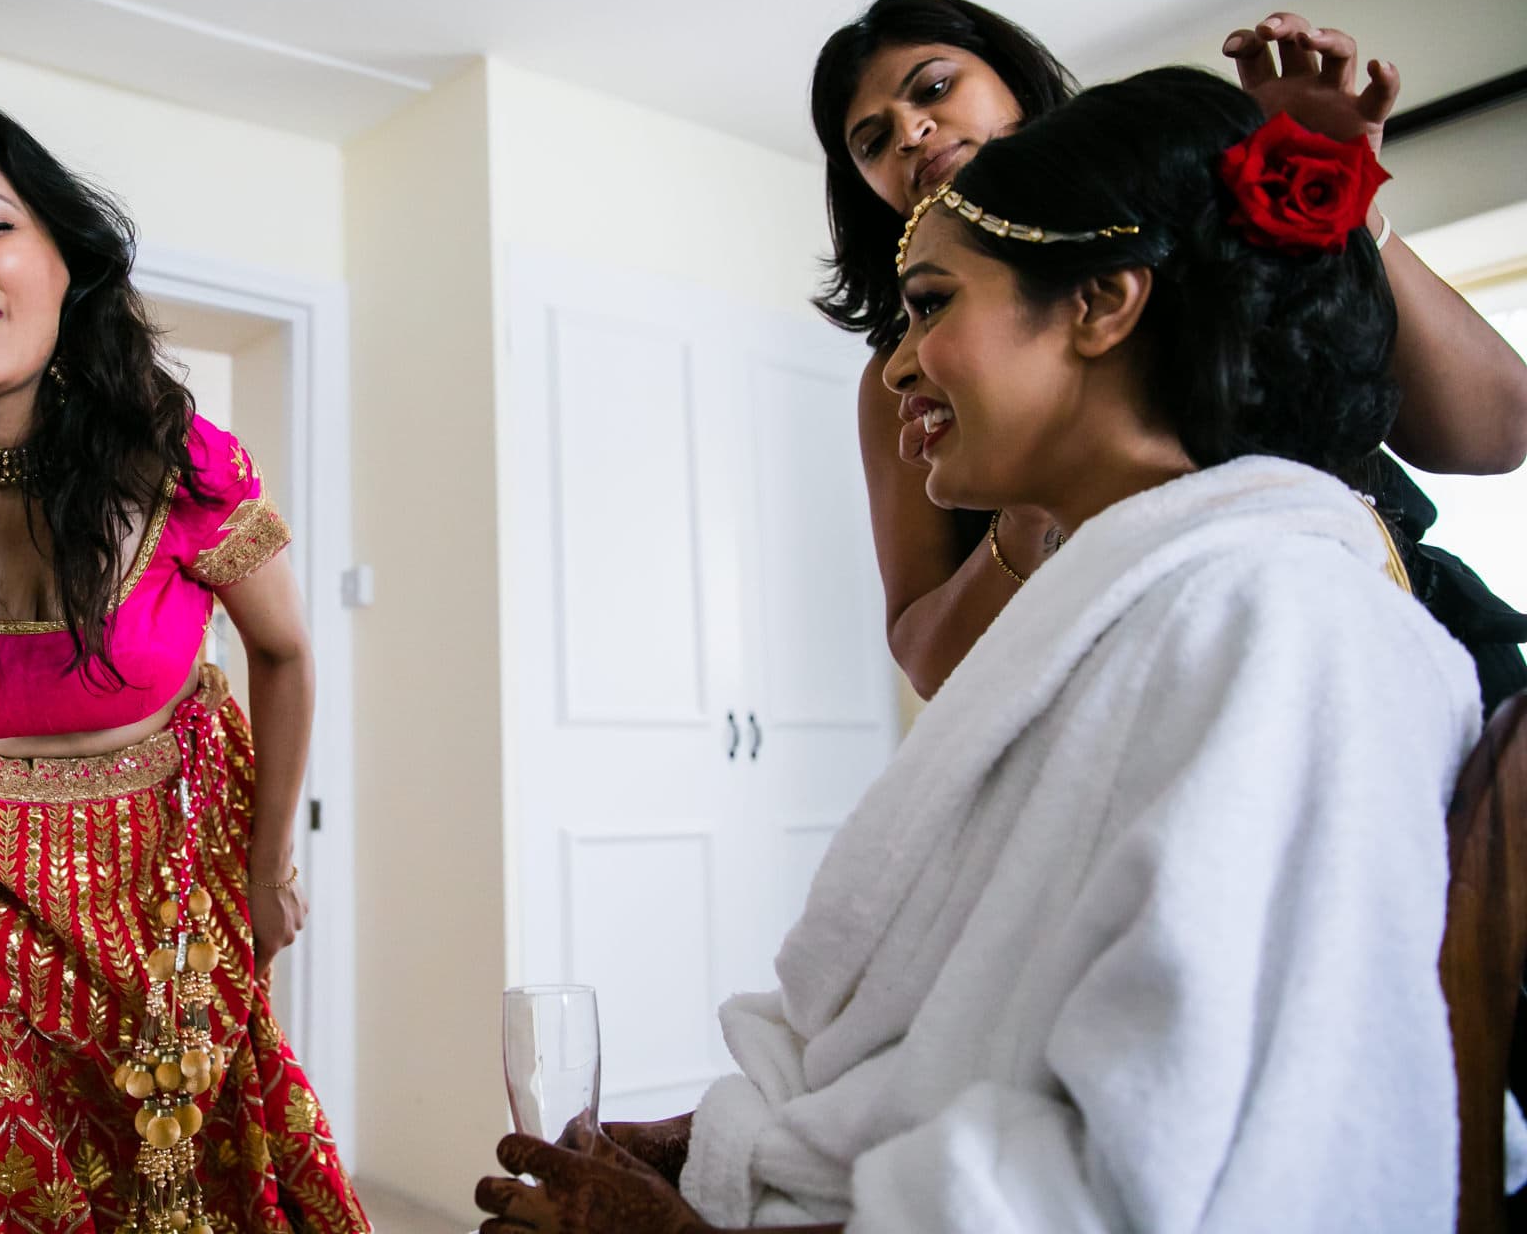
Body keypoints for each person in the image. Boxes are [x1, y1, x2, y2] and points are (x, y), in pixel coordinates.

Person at [477, 66, 1482, 1232]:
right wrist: (717, 1143)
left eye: (934, 302)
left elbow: (1210, 1181)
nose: (899, 364)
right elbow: (960, 1029)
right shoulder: (1116, 616)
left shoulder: (1284, 626)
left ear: (1103, 302)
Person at [0, 102, 367, 1233]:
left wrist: (268, 858)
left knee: (173, 1182)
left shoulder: (183, 461)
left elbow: (282, 651)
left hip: (169, 882)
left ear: (60, 261)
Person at [816, 0, 1527, 710]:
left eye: (934, 88)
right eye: (872, 141)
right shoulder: (914, 377)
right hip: (1150, 699)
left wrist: (1340, 199)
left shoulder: (1198, 220)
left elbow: (1497, 434)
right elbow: (934, 664)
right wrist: (1037, 488)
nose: (911, 133)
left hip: (1404, 648)